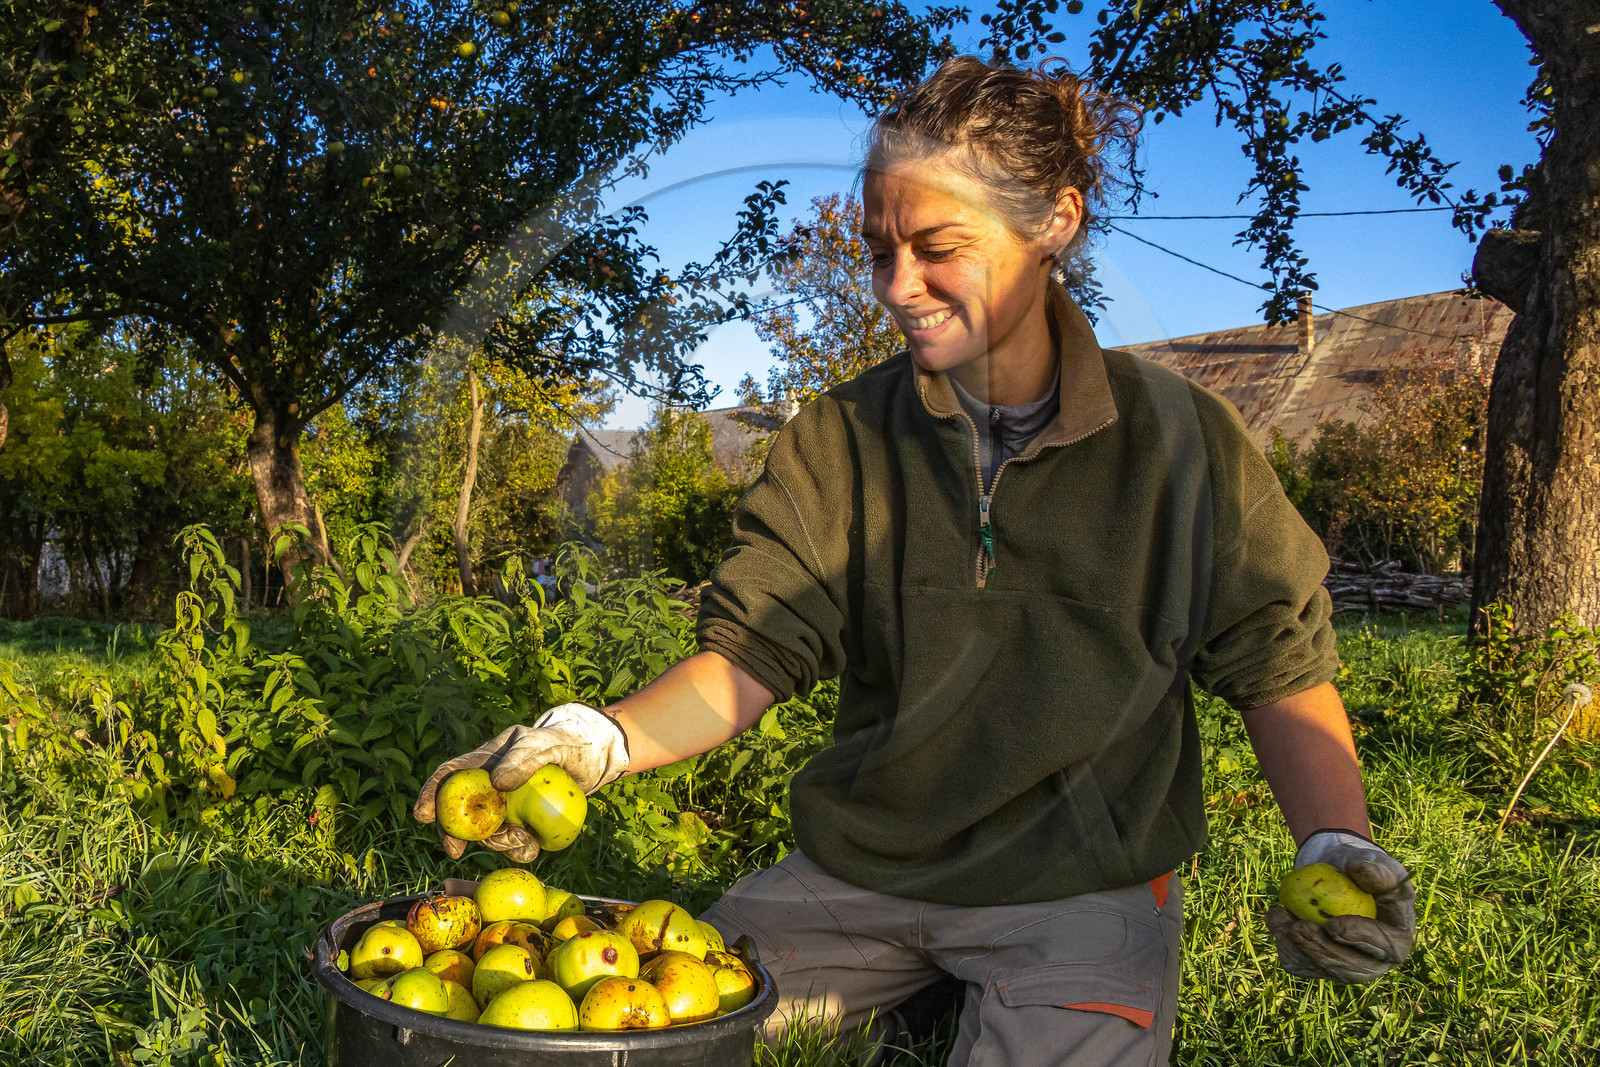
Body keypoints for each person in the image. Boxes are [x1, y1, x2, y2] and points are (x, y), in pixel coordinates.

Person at [413, 55, 1416, 1066]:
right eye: (879, 248)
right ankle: (920, 994)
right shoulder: (840, 438)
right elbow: (750, 653)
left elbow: (1278, 666)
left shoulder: (1180, 441)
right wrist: (597, 738)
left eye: (937, 247)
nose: (899, 287)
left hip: (1081, 887)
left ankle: (962, 999)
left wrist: (1335, 841)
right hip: (863, 870)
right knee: (656, 1038)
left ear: (1054, 222)